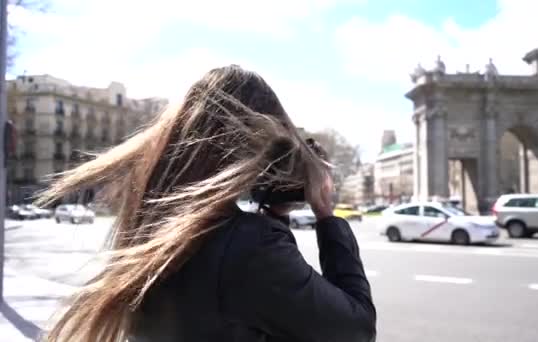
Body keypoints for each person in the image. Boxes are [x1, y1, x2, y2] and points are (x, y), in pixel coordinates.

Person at [37, 65, 376, 342]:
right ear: (254, 149)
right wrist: (327, 216)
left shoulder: (152, 227)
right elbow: (356, 329)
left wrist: (274, 213)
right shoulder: (250, 246)